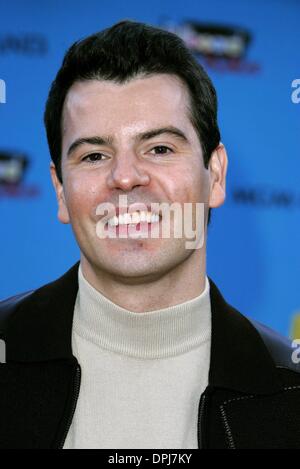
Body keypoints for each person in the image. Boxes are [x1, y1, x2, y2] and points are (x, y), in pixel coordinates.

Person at [0, 20, 299, 450]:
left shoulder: (291, 393)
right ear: (61, 192)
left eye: (159, 148)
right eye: (94, 155)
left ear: (215, 175)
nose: (125, 178)